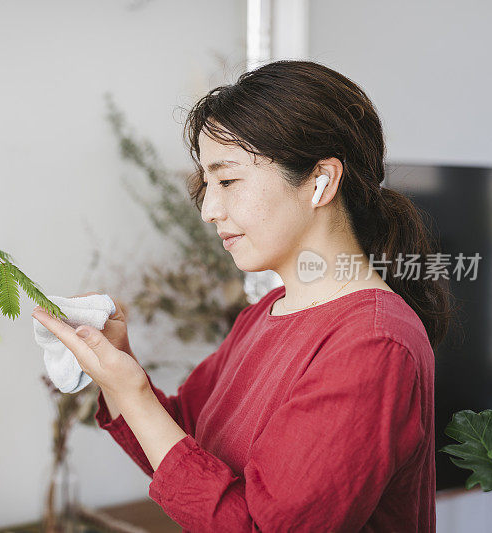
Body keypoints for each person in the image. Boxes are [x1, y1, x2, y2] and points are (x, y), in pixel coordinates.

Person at [32, 59, 454, 532]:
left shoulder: (374, 345)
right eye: (206, 185)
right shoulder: (264, 315)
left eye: (228, 181)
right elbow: (182, 448)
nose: (210, 209)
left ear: (321, 182)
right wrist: (115, 365)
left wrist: (132, 391)